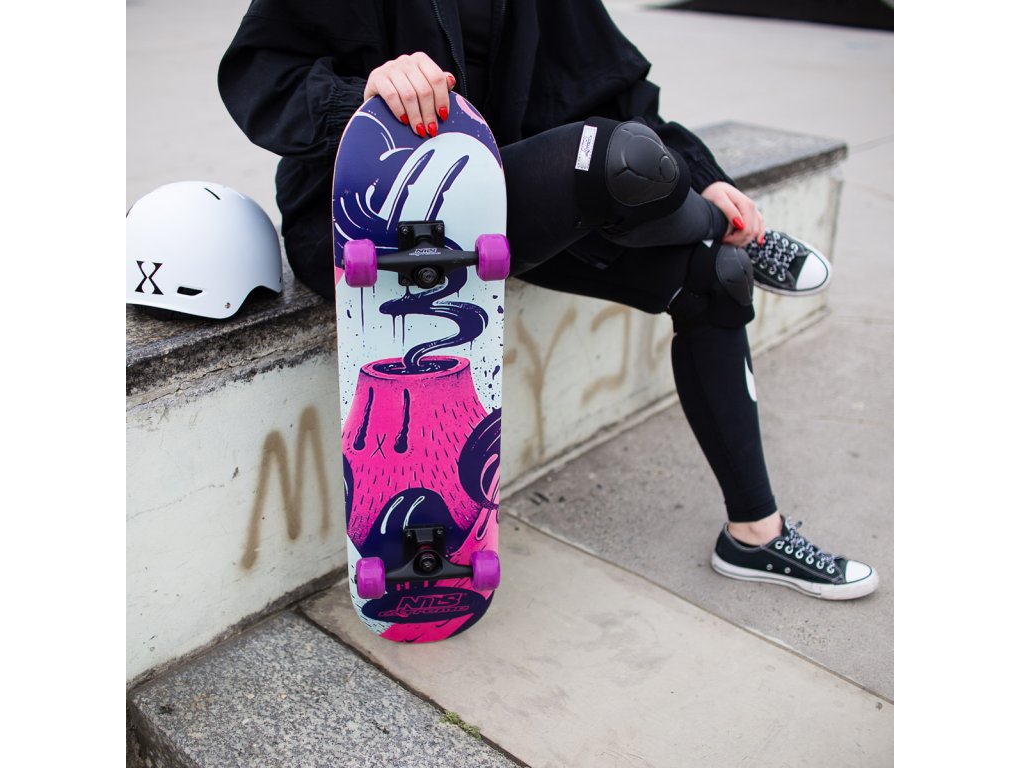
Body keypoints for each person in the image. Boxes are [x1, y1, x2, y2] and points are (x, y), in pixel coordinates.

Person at [218, 0, 877, 600]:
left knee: (716, 275)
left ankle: (754, 536)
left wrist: (704, 178)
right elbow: (260, 73)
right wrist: (363, 94)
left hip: (496, 206)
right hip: (371, 219)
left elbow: (613, 82)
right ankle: (720, 228)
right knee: (613, 157)